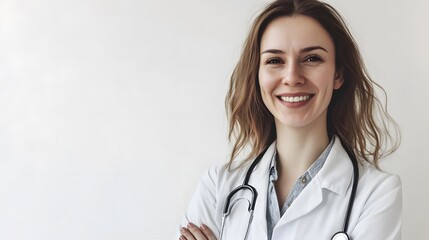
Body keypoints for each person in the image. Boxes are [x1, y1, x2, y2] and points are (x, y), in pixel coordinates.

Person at [178, 0, 402, 239]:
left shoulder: (377, 194)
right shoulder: (217, 187)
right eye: (275, 61)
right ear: (257, 76)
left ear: (338, 73)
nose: (292, 77)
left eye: (312, 58)